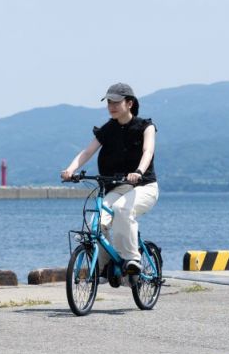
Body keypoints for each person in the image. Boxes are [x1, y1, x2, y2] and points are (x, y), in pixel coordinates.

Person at [60, 82, 159, 275]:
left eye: (116, 102)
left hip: (144, 186)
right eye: (108, 102)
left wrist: (138, 171)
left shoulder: (145, 127)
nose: (111, 106)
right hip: (117, 188)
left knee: (122, 209)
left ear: (129, 103)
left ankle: (132, 259)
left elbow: (148, 151)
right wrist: (70, 170)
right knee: (94, 224)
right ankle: (104, 266)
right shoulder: (108, 129)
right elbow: (87, 151)